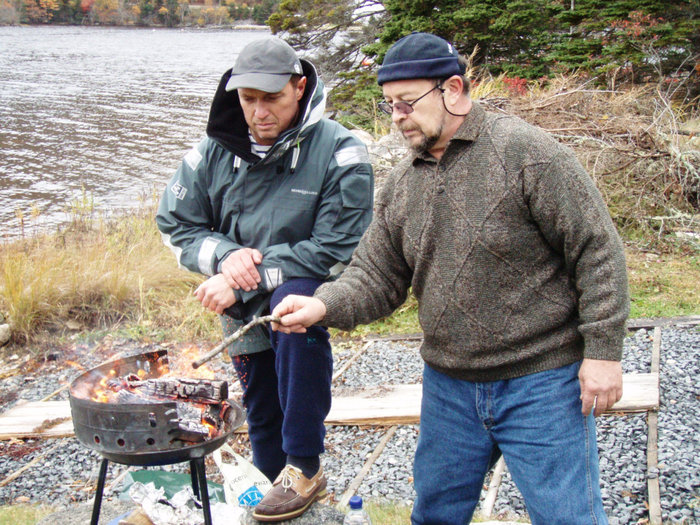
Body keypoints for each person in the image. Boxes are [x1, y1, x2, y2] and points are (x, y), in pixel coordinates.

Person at [271, 32, 629, 525]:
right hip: (450, 386)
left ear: (454, 89)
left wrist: (604, 353)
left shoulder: (528, 154)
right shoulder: (402, 182)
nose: (397, 116)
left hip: (542, 381)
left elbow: (597, 251)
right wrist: (323, 306)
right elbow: (377, 273)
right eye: (389, 105)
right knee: (436, 514)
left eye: (407, 102)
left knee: (568, 517)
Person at [156, 36, 374, 522]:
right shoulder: (211, 152)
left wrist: (244, 279)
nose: (258, 112)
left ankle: (306, 466)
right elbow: (175, 223)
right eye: (248, 99)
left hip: (302, 298)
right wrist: (224, 256)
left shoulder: (342, 151)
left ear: (299, 88)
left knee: (289, 312)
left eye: (271, 98)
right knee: (261, 416)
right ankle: (275, 478)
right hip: (240, 313)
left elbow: (336, 251)